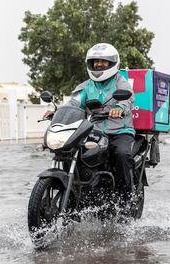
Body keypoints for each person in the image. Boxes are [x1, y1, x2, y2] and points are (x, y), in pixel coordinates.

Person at [44, 43, 135, 200]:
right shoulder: (85, 86)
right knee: (72, 151)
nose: (98, 64)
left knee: (121, 155)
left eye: (103, 61)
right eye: (95, 61)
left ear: (112, 63)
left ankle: (126, 197)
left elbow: (129, 99)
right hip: (95, 131)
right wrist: (57, 112)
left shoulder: (120, 82)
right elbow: (74, 103)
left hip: (120, 131)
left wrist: (119, 107)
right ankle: (78, 193)